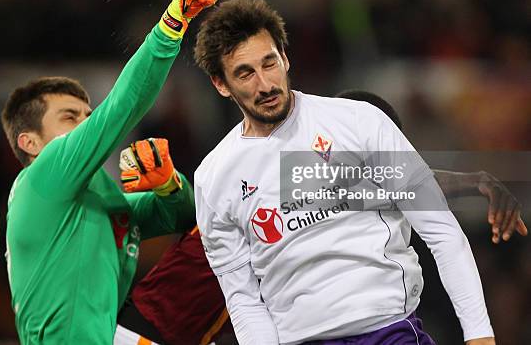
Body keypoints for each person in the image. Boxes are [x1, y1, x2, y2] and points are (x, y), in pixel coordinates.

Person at [192, 0, 496, 345]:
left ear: (285, 58)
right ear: (220, 84)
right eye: (245, 73)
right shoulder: (214, 178)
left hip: (388, 332)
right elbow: (243, 299)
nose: (265, 85)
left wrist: (479, 334)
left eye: (269, 63)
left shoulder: (358, 122)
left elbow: (442, 230)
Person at [117, 91, 526, 345]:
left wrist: (477, 180)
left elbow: (405, 184)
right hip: (148, 331)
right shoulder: (288, 179)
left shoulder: (294, 180)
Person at [2, 0, 229, 344]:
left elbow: (184, 217)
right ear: (30, 142)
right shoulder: (42, 177)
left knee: (217, 228)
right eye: (70, 117)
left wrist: (167, 183)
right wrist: (175, 19)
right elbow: (121, 108)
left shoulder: (99, 199)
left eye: (87, 116)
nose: (85, 125)